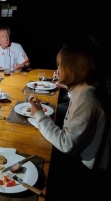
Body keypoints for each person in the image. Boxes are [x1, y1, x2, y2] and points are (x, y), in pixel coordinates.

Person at [29, 45, 109, 201]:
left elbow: (66, 145)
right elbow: (73, 110)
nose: (57, 70)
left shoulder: (86, 101)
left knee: (35, 155)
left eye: (60, 65)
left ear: (70, 69)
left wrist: (39, 114)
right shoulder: (85, 90)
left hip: (83, 167)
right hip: (81, 154)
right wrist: (64, 88)